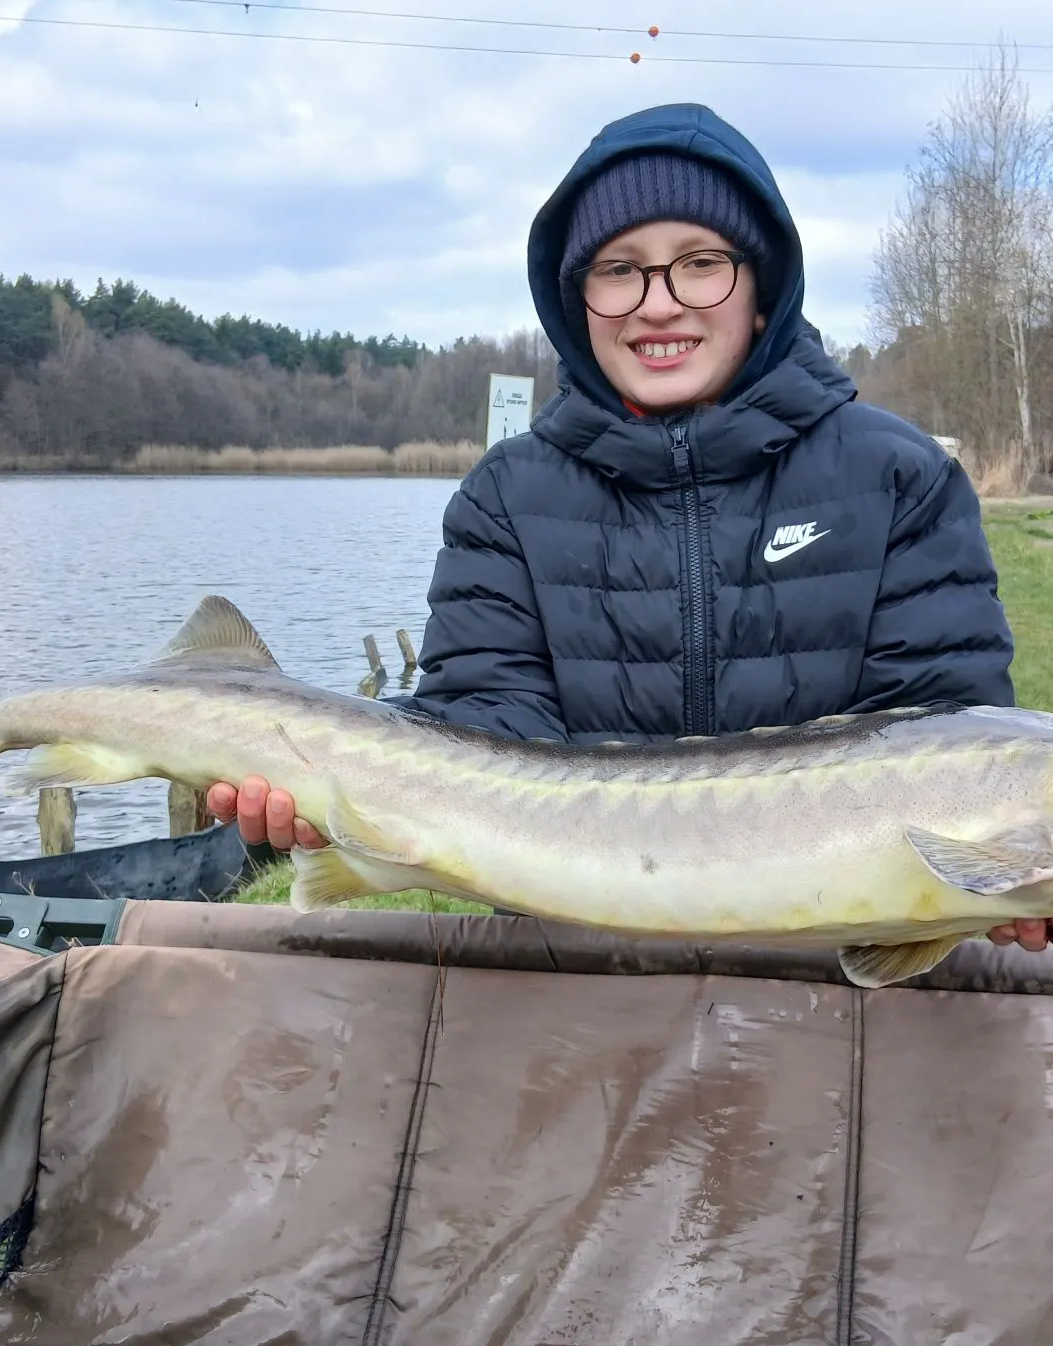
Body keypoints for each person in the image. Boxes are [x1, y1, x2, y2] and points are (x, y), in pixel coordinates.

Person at [206, 101, 1047, 956]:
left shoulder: (900, 475)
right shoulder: (506, 496)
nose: (660, 303)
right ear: (578, 304)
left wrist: (1001, 888)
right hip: (571, 987)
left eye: (700, 263)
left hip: (824, 1005)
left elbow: (941, 714)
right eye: (620, 270)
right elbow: (484, 731)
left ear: (762, 288)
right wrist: (341, 809)